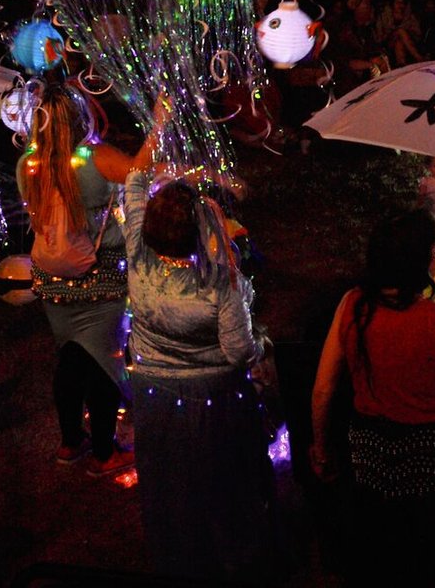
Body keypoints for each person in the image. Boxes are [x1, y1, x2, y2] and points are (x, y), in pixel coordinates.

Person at [310, 209, 435, 588]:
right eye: (433, 249)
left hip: (372, 462)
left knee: (382, 556)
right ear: (421, 262)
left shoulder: (352, 306)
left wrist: (322, 449)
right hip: (434, 468)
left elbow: (324, 389)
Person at [123, 153, 276, 583]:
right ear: (198, 232)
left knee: (169, 484)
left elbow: (133, 186)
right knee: (225, 482)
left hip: (153, 398)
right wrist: (254, 325)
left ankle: (178, 560)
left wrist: (154, 131)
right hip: (214, 401)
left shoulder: (136, 256)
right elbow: (239, 352)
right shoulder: (219, 285)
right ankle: (235, 559)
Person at [16, 84, 140, 476]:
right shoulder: (97, 159)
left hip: (53, 280)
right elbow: (141, 175)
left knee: (69, 358)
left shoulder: (27, 166)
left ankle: (71, 442)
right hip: (99, 278)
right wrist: (160, 127)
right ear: (79, 117)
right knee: (104, 363)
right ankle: (104, 453)